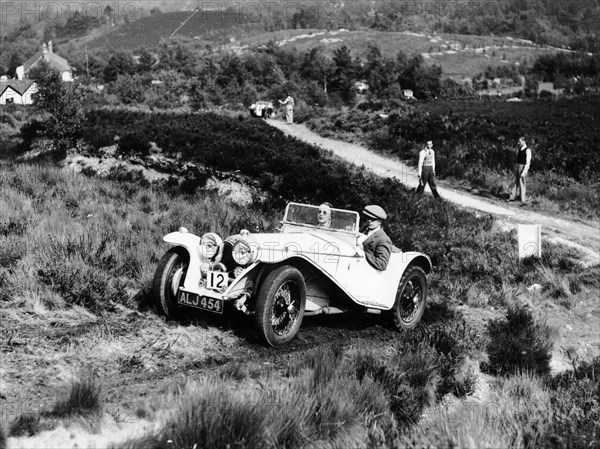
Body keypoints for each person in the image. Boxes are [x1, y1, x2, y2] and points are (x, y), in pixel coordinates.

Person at [356, 205, 393, 271]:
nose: (369, 221)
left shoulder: (383, 239)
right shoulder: (364, 229)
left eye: (373, 219)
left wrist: (362, 251)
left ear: (380, 221)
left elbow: (381, 264)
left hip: (366, 272)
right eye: (367, 218)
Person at [506, 136, 532, 204]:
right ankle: (512, 197)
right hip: (517, 166)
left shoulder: (527, 150)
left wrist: (524, 171)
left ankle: (523, 199)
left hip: (522, 167)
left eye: (519, 141)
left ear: (524, 141)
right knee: (514, 181)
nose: (518, 143)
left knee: (522, 182)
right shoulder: (520, 149)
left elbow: (528, 162)